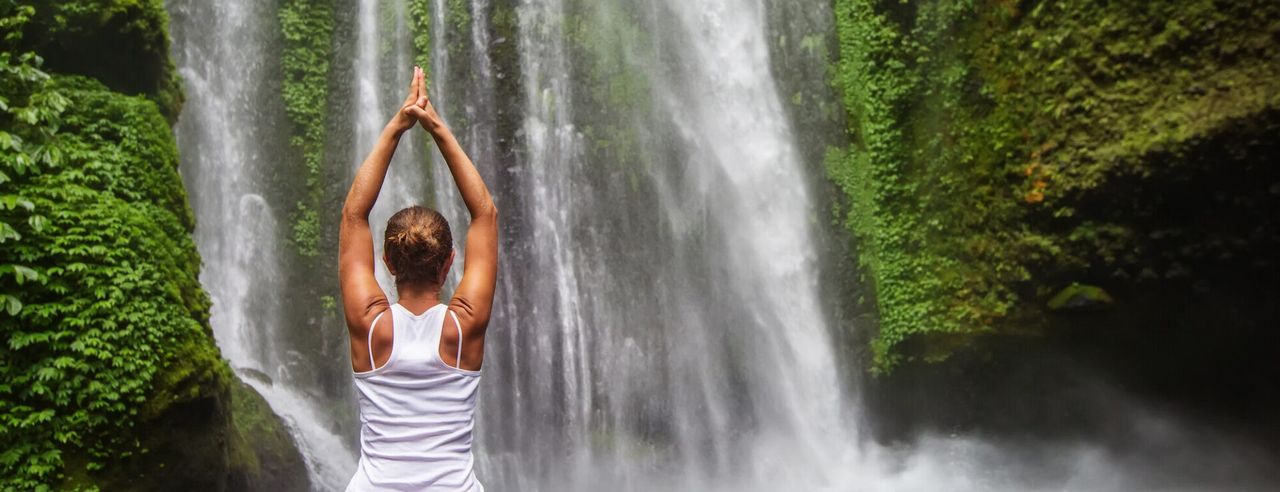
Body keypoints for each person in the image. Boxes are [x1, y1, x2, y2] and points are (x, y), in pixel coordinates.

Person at [339, 66, 498, 491]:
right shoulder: (463, 327)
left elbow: (354, 214)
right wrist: (437, 128)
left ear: (387, 262)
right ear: (449, 264)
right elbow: (485, 213)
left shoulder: (371, 327)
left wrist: (397, 126)